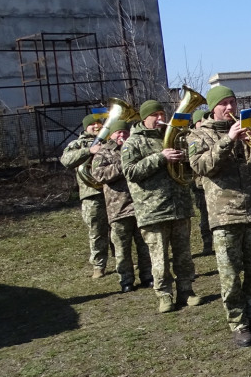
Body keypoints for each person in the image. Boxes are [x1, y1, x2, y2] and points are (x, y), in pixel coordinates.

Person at [188, 86, 251, 347]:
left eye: (232, 102)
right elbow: (200, 166)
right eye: (224, 104)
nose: (230, 108)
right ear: (213, 107)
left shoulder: (248, 128)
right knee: (230, 274)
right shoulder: (198, 134)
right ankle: (239, 324)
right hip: (225, 214)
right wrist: (228, 140)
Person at [121, 99, 199, 313]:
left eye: (162, 114)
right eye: (155, 115)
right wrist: (160, 158)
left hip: (179, 205)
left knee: (184, 254)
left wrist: (184, 158)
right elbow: (130, 172)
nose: (160, 119)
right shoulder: (133, 143)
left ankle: (187, 290)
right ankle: (164, 295)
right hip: (153, 209)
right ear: (144, 118)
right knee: (159, 258)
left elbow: (190, 168)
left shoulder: (173, 137)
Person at [89, 119, 152, 294]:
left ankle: (147, 276)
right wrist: (122, 165)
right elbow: (99, 175)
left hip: (139, 205)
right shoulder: (103, 153)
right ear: (112, 134)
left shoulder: (134, 148)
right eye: (118, 132)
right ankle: (126, 280)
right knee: (122, 249)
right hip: (118, 209)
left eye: (125, 132)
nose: (122, 135)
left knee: (144, 245)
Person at [60, 113, 110, 278]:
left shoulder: (109, 140)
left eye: (99, 124)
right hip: (91, 193)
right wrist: (89, 150)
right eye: (92, 124)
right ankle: (98, 265)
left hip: (112, 191)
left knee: (119, 229)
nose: (96, 126)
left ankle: (124, 260)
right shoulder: (77, 144)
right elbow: (66, 160)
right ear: (85, 127)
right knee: (96, 230)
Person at [190, 109, 214, 255]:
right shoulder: (191, 137)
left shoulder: (210, 134)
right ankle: (207, 244)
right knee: (205, 216)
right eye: (200, 122)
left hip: (213, 182)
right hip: (199, 185)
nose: (203, 124)